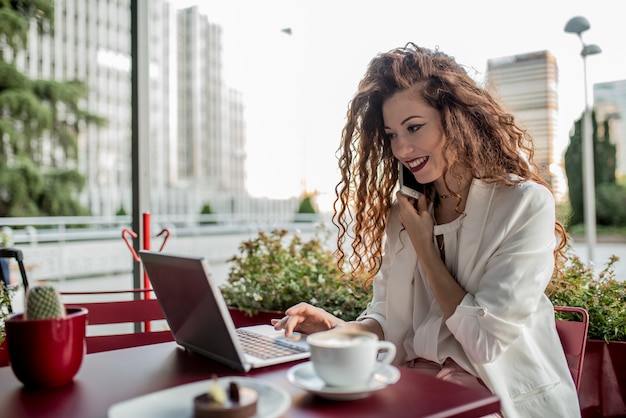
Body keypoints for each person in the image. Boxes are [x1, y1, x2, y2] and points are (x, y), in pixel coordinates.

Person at [272, 43, 580, 417]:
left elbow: (485, 341)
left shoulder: (523, 204)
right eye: (391, 135)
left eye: (414, 128)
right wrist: (335, 329)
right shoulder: (406, 212)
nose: (402, 148)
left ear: (456, 120)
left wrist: (425, 247)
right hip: (412, 388)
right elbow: (390, 321)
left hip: (494, 399)